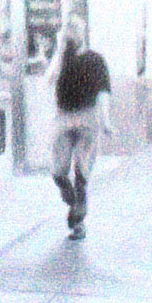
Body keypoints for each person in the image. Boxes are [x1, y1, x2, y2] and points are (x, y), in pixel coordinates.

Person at [49, 15, 112, 240]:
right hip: (64, 118)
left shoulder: (95, 60)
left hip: (87, 118)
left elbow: (103, 92)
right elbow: (49, 79)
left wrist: (105, 120)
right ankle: (74, 202)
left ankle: (78, 219)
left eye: (73, 31)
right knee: (58, 171)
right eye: (67, 32)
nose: (70, 36)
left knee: (81, 169)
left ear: (82, 33)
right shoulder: (62, 60)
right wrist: (59, 51)